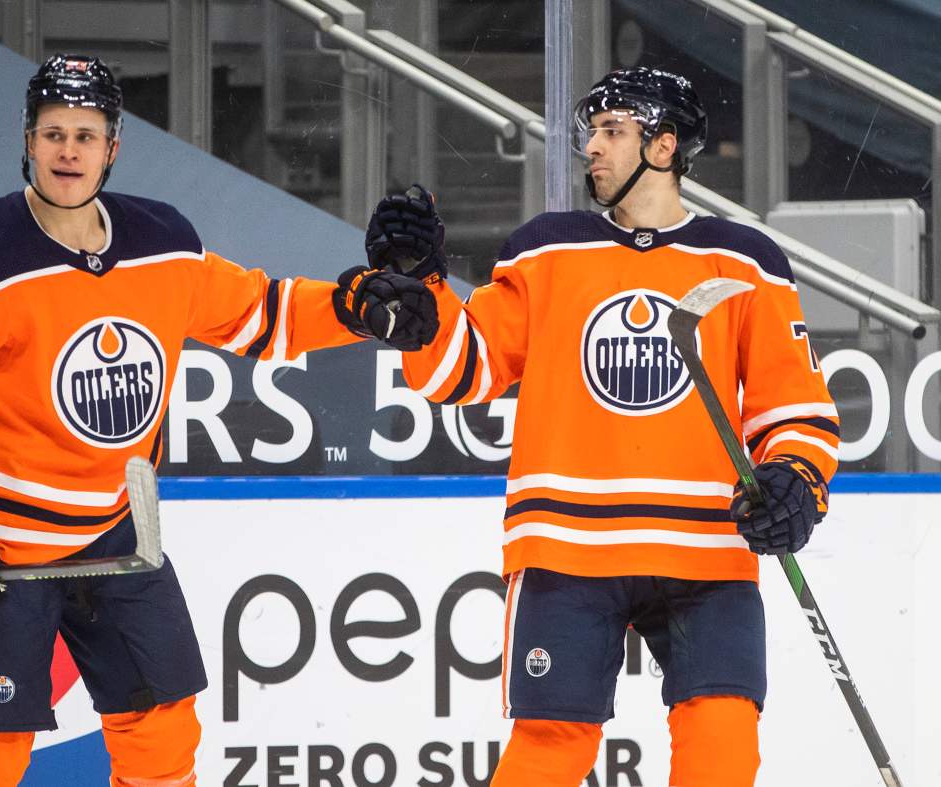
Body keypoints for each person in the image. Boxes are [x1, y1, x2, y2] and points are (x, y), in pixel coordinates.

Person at [0, 54, 437, 786]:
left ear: (113, 147)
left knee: (163, 732)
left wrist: (356, 307)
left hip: (117, 535)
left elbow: (259, 312)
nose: (68, 149)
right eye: (52, 133)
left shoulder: (161, 241)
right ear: (28, 142)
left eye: (85, 133)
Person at [338, 67, 838, 786]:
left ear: (663, 147)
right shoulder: (546, 249)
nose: (592, 150)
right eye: (592, 134)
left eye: (613, 132)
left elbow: (794, 408)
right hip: (568, 549)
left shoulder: (745, 259)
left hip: (705, 544)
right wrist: (422, 285)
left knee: (722, 747)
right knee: (549, 748)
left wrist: (795, 477)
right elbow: (461, 371)